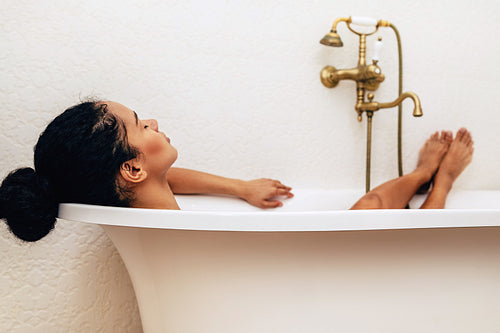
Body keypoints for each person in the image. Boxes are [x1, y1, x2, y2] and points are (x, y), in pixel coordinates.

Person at [0, 100, 473, 242]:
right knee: (377, 211)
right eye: (141, 124)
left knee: (370, 203)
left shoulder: (141, 198)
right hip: (302, 284)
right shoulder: (186, 235)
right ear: (132, 166)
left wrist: (240, 188)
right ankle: (439, 182)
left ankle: (416, 179)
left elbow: (168, 178)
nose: (155, 121)